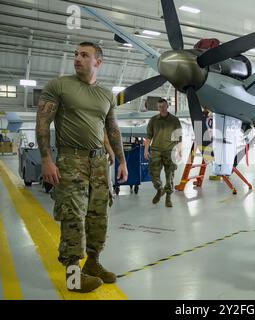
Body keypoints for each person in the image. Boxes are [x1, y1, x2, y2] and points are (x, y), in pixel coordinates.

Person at [36, 41, 128, 293]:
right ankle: (73, 276)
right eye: (76, 54)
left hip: (99, 162)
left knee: (99, 214)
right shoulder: (59, 86)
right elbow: (43, 124)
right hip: (70, 160)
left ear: (98, 62)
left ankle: (93, 263)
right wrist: (46, 159)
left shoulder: (107, 94)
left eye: (84, 55)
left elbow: (113, 129)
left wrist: (121, 160)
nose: (77, 58)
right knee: (73, 216)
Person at [144, 98, 182, 207]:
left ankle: (168, 197)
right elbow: (148, 136)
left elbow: (179, 137)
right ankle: (160, 189)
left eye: (164, 106)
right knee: (153, 174)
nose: (162, 109)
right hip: (156, 150)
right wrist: (146, 150)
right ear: (157, 107)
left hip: (170, 150)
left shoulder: (174, 120)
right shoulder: (153, 120)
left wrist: (179, 151)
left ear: (167, 106)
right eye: (160, 107)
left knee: (169, 175)